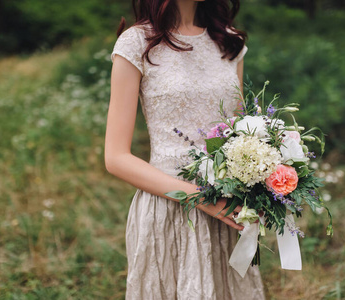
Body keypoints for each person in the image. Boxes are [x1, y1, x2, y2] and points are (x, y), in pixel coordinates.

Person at [105, 0, 265, 298]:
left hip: (226, 206)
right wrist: (199, 199)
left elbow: (238, 133)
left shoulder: (229, 40)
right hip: (168, 206)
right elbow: (116, 158)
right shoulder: (136, 42)